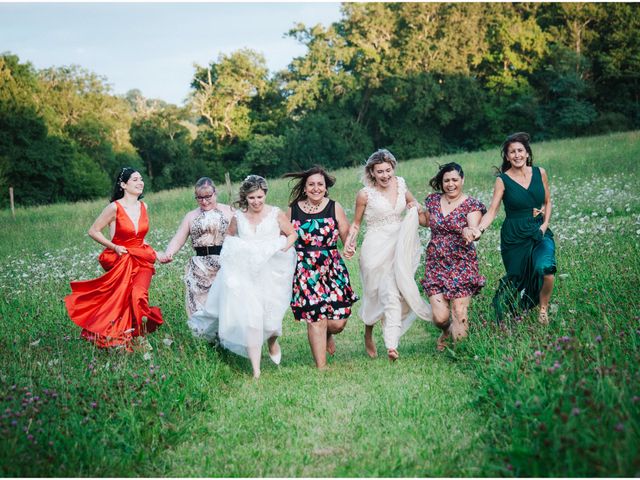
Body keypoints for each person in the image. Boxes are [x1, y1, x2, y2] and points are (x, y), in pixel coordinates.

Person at [189, 175, 298, 378]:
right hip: (247, 273)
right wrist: (235, 255)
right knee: (252, 321)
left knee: (271, 322)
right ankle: (256, 371)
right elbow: (229, 239)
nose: (256, 202)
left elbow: (292, 234)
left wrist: (283, 247)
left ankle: (273, 340)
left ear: (265, 194)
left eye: (259, 197)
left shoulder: (276, 213)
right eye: (251, 198)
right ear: (245, 198)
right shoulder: (238, 217)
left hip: (272, 269)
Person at [344, 149, 431, 361]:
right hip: (375, 248)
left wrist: (415, 207)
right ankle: (368, 331)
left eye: (388, 170)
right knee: (374, 293)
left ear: (393, 169)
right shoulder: (365, 194)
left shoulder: (401, 184)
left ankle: (391, 344)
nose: (385, 176)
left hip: (400, 246)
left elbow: (419, 211)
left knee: (392, 292)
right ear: (372, 172)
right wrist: (349, 242)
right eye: (380, 171)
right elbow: (356, 224)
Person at [65, 167, 163, 350]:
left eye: (141, 179)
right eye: (134, 179)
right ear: (123, 184)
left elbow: (141, 238)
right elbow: (93, 231)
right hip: (122, 259)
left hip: (142, 260)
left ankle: (139, 336)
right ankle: (123, 336)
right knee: (122, 300)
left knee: (138, 295)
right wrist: (114, 246)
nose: (140, 182)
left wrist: (158, 254)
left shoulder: (144, 206)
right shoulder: (114, 208)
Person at [468, 132, 557, 324]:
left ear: (527, 153)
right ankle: (511, 312)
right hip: (514, 237)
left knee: (546, 268)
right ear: (507, 157)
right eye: (512, 152)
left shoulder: (540, 172)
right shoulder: (503, 180)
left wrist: (544, 225)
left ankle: (543, 309)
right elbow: (492, 210)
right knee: (517, 278)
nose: (517, 155)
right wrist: (479, 229)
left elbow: (548, 201)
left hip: (539, 232)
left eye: (520, 151)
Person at [283, 166, 358, 369]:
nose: (316, 188)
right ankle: (321, 368)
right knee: (315, 318)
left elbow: (346, 236)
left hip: (332, 267)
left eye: (320, 184)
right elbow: (282, 239)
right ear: (305, 188)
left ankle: (328, 333)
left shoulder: (335, 207)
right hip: (305, 269)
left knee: (337, 323)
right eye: (311, 184)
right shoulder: (293, 209)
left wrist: (350, 245)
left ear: (325, 188)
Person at [418, 162, 486, 351]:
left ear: (462, 180)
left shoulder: (471, 204)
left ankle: (460, 354)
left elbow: (475, 227)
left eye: (455, 180)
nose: (450, 184)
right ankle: (446, 330)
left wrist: (470, 231)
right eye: (446, 180)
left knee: (459, 311)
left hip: (462, 263)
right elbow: (426, 222)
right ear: (441, 182)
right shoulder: (432, 201)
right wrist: (412, 210)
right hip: (436, 263)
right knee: (440, 317)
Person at [157, 177, 233, 318]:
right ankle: (204, 338)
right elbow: (178, 239)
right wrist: (169, 253)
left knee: (225, 306)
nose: (204, 201)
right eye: (199, 198)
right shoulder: (191, 216)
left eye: (208, 197)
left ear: (215, 193)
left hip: (225, 263)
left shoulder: (229, 211)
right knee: (200, 308)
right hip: (200, 267)